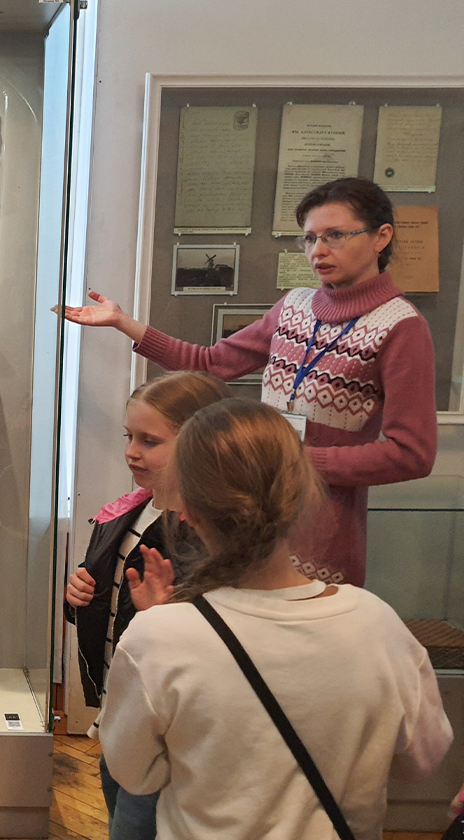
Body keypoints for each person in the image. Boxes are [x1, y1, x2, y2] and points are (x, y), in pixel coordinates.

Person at [99, 399, 452, 838]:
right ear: (302, 494)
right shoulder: (377, 624)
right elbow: (423, 759)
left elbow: (134, 773)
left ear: (189, 505)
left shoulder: (158, 637)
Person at [61, 178, 437, 586]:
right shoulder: (294, 306)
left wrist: (296, 460)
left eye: (335, 235)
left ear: (382, 237)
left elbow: (412, 454)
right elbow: (211, 363)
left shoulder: (401, 326)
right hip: (249, 515)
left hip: (321, 524)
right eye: (310, 238)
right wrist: (123, 322)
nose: (319, 250)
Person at [65, 371, 230, 839]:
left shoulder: (209, 534)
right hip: (123, 708)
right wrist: (77, 596)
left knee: (137, 823)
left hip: (170, 728)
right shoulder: (128, 511)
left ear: (200, 443)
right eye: (129, 437)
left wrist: (165, 617)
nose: (131, 452)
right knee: (117, 801)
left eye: (150, 441)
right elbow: (111, 597)